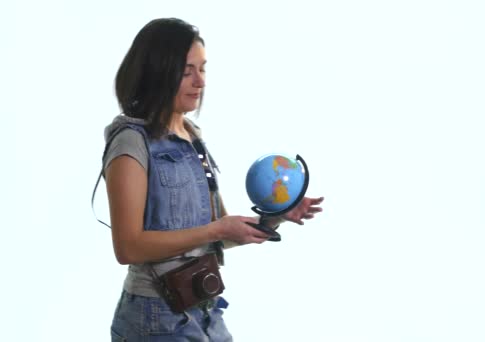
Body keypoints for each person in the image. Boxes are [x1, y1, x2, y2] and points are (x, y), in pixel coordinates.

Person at [101, 18, 324, 341]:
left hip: (204, 312)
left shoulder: (192, 138)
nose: (199, 81)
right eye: (186, 71)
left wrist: (274, 217)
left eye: (202, 69)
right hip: (154, 319)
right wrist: (217, 229)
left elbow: (214, 235)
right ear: (158, 72)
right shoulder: (131, 143)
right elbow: (128, 247)